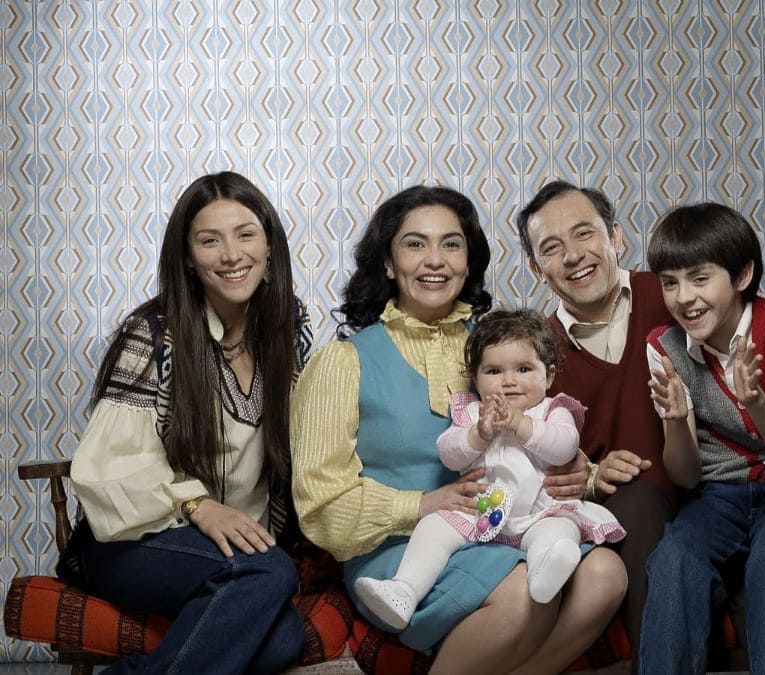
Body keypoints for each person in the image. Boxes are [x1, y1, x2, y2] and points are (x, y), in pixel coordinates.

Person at [291, 185, 626, 672]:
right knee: (524, 595)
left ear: (469, 262)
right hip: (407, 548)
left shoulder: (499, 348)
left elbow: (540, 432)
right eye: (415, 244)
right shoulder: (343, 361)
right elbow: (319, 504)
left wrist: (584, 474)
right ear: (388, 263)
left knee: (606, 575)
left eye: (451, 244)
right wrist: (421, 505)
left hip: (502, 526)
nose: (435, 260)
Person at [62, 171, 312, 673]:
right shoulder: (154, 336)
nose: (231, 254)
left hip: (233, 552)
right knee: (268, 571)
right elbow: (108, 468)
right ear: (187, 258)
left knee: (283, 641)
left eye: (245, 234)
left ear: (269, 247)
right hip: (135, 542)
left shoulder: (286, 330)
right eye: (209, 240)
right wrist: (198, 504)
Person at [640, 203, 765, 674]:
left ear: (742, 275)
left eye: (700, 279)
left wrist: (756, 402)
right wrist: (675, 419)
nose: (684, 298)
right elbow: (686, 476)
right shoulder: (663, 346)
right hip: (718, 495)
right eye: (669, 282)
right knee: (674, 557)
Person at [355, 309, 626, 630]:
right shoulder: (472, 414)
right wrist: (478, 435)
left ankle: (546, 573)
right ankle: (405, 590)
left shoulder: (552, 410)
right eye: (494, 371)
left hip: (540, 513)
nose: (509, 381)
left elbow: (564, 447)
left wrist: (519, 423)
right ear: (476, 378)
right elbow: (449, 454)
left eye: (524, 369)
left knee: (560, 531)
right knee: (434, 526)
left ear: (549, 376)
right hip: (481, 513)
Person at [516, 181, 677, 666]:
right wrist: (589, 477)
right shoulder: (534, 356)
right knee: (637, 500)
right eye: (551, 248)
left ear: (616, 237)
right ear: (536, 269)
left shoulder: (673, 294)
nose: (573, 256)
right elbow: (529, 467)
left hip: (713, 488)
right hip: (627, 511)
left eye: (584, 233)